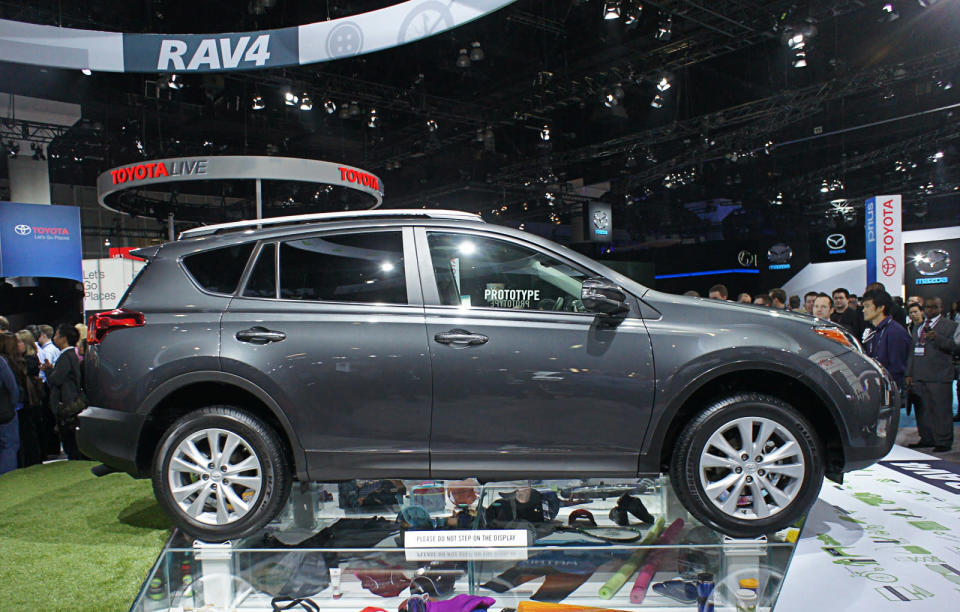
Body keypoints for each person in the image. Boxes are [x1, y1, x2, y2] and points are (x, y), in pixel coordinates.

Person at [905, 297, 957, 452]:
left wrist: (938, 338)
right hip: (919, 374)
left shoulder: (951, 326)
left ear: (941, 308)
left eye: (934, 307)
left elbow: (955, 347)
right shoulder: (918, 326)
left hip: (940, 376)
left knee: (941, 411)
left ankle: (943, 441)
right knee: (923, 410)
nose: (930, 310)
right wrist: (909, 373)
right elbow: (912, 352)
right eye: (927, 307)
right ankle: (927, 438)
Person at [41, 324, 86, 460]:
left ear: (64, 338)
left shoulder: (66, 356)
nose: (54, 338)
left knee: (69, 437)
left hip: (67, 401)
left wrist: (48, 371)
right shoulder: (72, 355)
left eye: (56, 335)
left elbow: (57, 379)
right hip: (73, 399)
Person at [861, 290, 912, 390]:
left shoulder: (895, 332)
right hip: (876, 386)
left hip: (890, 390)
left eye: (867, 306)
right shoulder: (874, 330)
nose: (863, 310)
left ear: (880, 307)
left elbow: (897, 368)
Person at [15, 330, 44, 467]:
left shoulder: (30, 360)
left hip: (30, 400)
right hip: (30, 400)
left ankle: (34, 459)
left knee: (30, 431)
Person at [0, 334, 21, 475]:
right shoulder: (1, 362)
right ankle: (7, 478)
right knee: (9, 446)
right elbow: (11, 386)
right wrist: (13, 405)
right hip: (4, 412)